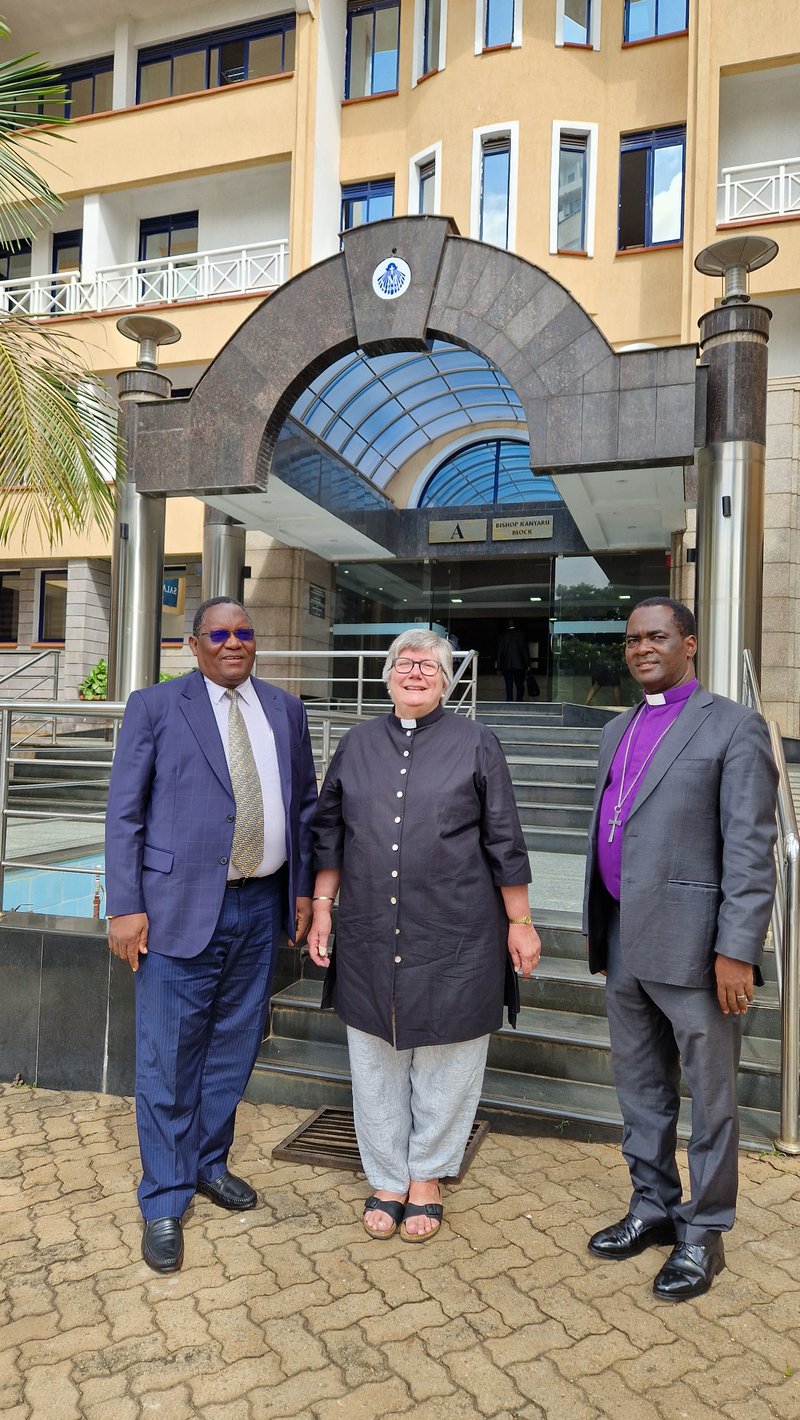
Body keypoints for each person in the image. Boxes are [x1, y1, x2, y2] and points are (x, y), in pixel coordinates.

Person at [105, 597, 317, 1273]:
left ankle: (205, 1163)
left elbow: (305, 807)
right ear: (193, 645)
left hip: (259, 908)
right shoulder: (155, 707)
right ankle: (164, 1199)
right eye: (219, 634)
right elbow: (124, 813)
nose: (234, 643)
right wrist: (124, 905)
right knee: (168, 1057)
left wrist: (304, 893)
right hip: (173, 911)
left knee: (232, 1048)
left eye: (244, 632)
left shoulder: (285, 709)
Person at [308, 630, 541, 1243]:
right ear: (387, 676)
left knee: (449, 1056)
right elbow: (328, 832)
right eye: (405, 663)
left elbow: (504, 838)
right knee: (376, 1058)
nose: (416, 672)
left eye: (429, 665)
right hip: (367, 928)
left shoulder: (476, 742)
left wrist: (520, 921)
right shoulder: (357, 743)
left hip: (457, 926)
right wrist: (323, 908)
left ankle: (429, 1177)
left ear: (447, 679)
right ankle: (386, 1176)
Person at [583, 598, 777, 1301]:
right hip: (626, 940)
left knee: (712, 1100)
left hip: (698, 949)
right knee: (639, 1090)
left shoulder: (733, 725)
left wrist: (737, 950)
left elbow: (752, 849)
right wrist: (600, 927)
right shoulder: (617, 730)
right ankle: (654, 1207)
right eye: (632, 639)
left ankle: (705, 1234)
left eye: (657, 636)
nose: (641, 648)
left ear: (688, 644)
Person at [496, 622, 529, 702]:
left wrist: (498, 667)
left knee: (508, 685)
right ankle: (519, 700)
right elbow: (524, 651)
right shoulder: (521, 635)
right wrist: (527, 665)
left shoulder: (503, 636)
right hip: (519, 665)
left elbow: (499, 652)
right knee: (519, 684)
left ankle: (509, 701)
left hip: (506, 665)